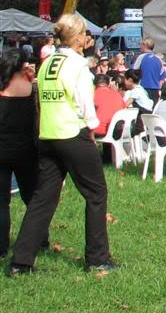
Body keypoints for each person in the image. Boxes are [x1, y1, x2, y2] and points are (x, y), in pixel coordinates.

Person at [9, 14, 117, 275]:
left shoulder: (46, 63)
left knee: (42, 198)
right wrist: (91, 127)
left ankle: (21, 262)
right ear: (79, 38)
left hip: (48, 135)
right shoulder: (78, 65)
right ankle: (97, 258)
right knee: (95, 193)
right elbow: (83, 102)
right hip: (72, 134)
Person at [1, 50, 42, 261]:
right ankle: (40, 240)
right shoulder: (31, 89)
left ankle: (1, 246)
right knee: (33, 199)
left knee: (2, 203)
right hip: (26, 151)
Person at [134, 37, 165, 105]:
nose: (140, 47)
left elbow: (133, 73)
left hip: (143, 89)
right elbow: (162, 78)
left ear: (145, 45)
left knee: (142, 113)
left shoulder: (141, 57)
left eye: (141, 44)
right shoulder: (158, 59)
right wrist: (158, 88)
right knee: (152, 112)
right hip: (155, 90)